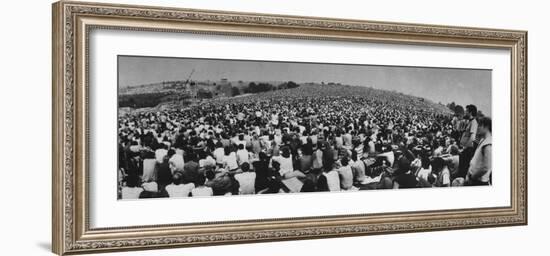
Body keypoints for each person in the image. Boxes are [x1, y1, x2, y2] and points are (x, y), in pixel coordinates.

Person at [466, 117, 492, 186]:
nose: (477, 128)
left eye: (480, 125)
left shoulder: (489, 143)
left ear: (486, 127)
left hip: (478, 181)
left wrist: (473, 177)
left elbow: (486, 167)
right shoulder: (483, 140)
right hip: (473, 178)